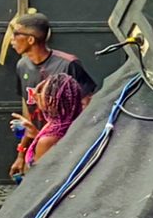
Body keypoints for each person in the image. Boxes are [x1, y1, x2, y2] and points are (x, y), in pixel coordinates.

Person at [10, 12, 96, 171]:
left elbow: (88, 112)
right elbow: (29, 114)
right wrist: (21, 154)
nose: (11, 40)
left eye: (15, 34)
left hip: (66, 153)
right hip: (39, 146)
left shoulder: (68, 64)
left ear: (30, 39)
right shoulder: (22, 66)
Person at [10, 72, 84, 176]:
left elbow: (37, 177)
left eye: (42, 93)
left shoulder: (48, 139)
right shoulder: (72, 123)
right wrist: (36, 135)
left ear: (50, 101)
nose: (36, 95)